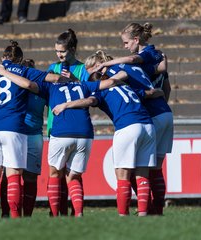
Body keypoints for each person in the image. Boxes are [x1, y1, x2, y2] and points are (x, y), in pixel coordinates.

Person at [0, 60, 122, 217]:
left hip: (61, 132)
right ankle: (78, 213)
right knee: (73, 176)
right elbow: (111, 82)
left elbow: (30, 85)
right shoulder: (83, 85)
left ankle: (53, 214)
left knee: (54, 174)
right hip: (85, 133)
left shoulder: (50, 87)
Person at [53, 51, 163, 216]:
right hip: (147, 126)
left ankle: (122, 215)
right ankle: (143, 214)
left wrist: (66, 105)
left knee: (123, 175)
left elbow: (90, 100)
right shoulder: (124, 85)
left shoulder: (100, 91)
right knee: (142, 174)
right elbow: (150, 93)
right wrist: (159, 92)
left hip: (127, 126)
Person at [0, 41, 60, 219]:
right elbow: (51, 79)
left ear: (2, 58)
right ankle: (16, 219)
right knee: (14, 175)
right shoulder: (23, 70)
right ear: (20, 59)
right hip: (13, 128)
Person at [94, 23, 173, 215]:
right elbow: (165, 78)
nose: (125, 46)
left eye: (126, 42)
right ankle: (157, 209)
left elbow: (130, 58)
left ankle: (146, 208)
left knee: (137, 170)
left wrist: (106, 64)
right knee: (155, 169)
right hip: (165, 113)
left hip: (148, 116)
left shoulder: (139, 59)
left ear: (137, 40)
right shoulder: (156, 56)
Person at [46, 28, 90, 216]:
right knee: (59, 171)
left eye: (62, 51)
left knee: (70, 173)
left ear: (72, 49)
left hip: (74, 123)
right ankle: (59, 211)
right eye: (56, 51)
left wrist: (73, 79)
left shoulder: (82, 69)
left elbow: (88, 91)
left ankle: (75, 211)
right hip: (54, 122)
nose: (59, 55)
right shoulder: (53, 68)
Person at [0, 58, 46, 217]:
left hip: (34, 135)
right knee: (10, 175)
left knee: (30, 176)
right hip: (15, 134)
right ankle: (7, 213)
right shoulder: (14, 88)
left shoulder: (40, 89)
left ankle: (27, 216)